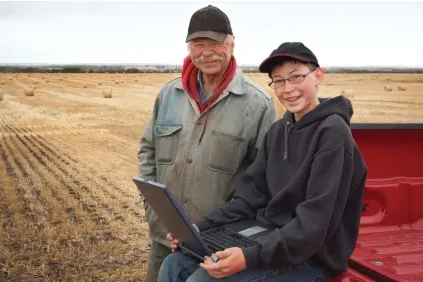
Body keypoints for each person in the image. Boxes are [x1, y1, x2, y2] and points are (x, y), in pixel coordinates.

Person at [158, 42, 368, 282]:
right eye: (278, 81)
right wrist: (199, 229)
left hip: (313, 258)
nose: (287, 89)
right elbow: (249, 198)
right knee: (174, 264)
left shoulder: (333, 132)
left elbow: (314, 225)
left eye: (296, 77)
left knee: (202, 280)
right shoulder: (279, 131)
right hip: (269, 240)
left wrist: (249, 257)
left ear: (317, 76)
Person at [136, 5, 278, 281]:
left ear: (232, 44)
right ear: (189, 48)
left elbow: (263, 180)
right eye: (198, 45)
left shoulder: (258, 105)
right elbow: (148, 151)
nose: (207, 52)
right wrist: (152, 207)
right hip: (165, 234)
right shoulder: (169, 94)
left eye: (215, 43)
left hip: (217, 241)